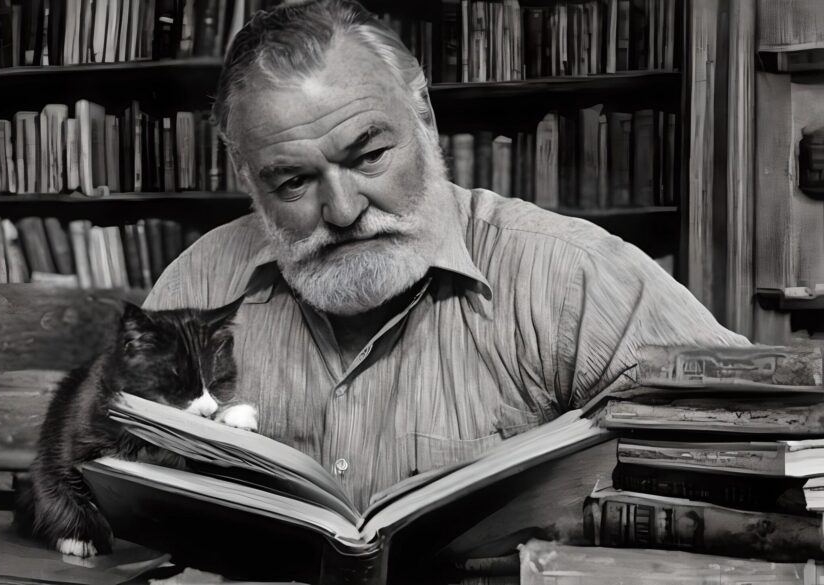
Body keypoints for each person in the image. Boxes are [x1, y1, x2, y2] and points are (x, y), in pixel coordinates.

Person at [143, 0, 747, 512]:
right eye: (294, 182)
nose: (344, 211)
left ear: (425, 119)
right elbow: (123, 490)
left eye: (369, 156)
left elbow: (753, 448)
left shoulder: (573, 275)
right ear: (248, 180)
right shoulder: (195, 287)